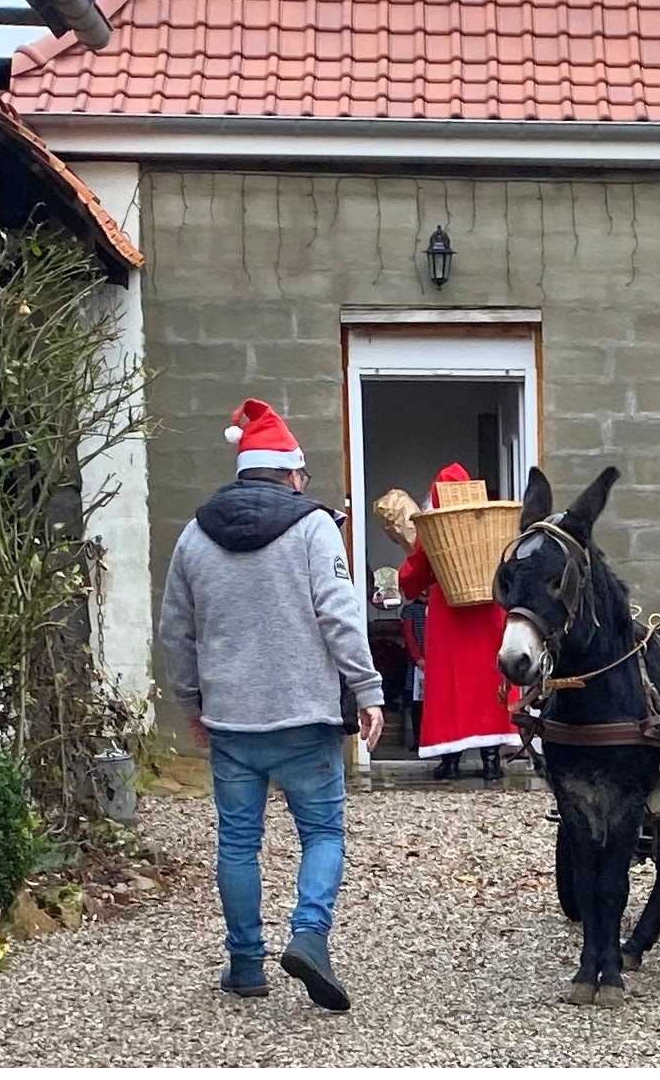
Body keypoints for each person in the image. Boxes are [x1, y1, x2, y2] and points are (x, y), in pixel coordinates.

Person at [159, 397, 385, 1011]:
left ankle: (245, 963)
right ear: (290, 474)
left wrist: (192, 704)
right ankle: (309, 934)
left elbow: (176, 631)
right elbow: (340, 615)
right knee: (322, 832)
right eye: (302, 476)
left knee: (237, 842)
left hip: (231, 720)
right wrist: (368, 690)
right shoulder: (314, 527)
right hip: (305, 718)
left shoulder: (193, 533)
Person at [398, 463, 521, 782]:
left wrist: (409, 581)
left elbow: (412, 577)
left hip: (449, 616)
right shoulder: (493, 525)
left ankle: (450, 759)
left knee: (449, 686)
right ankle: (491, 760)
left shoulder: (436, 530)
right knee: (489, 682)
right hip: (490, 613)